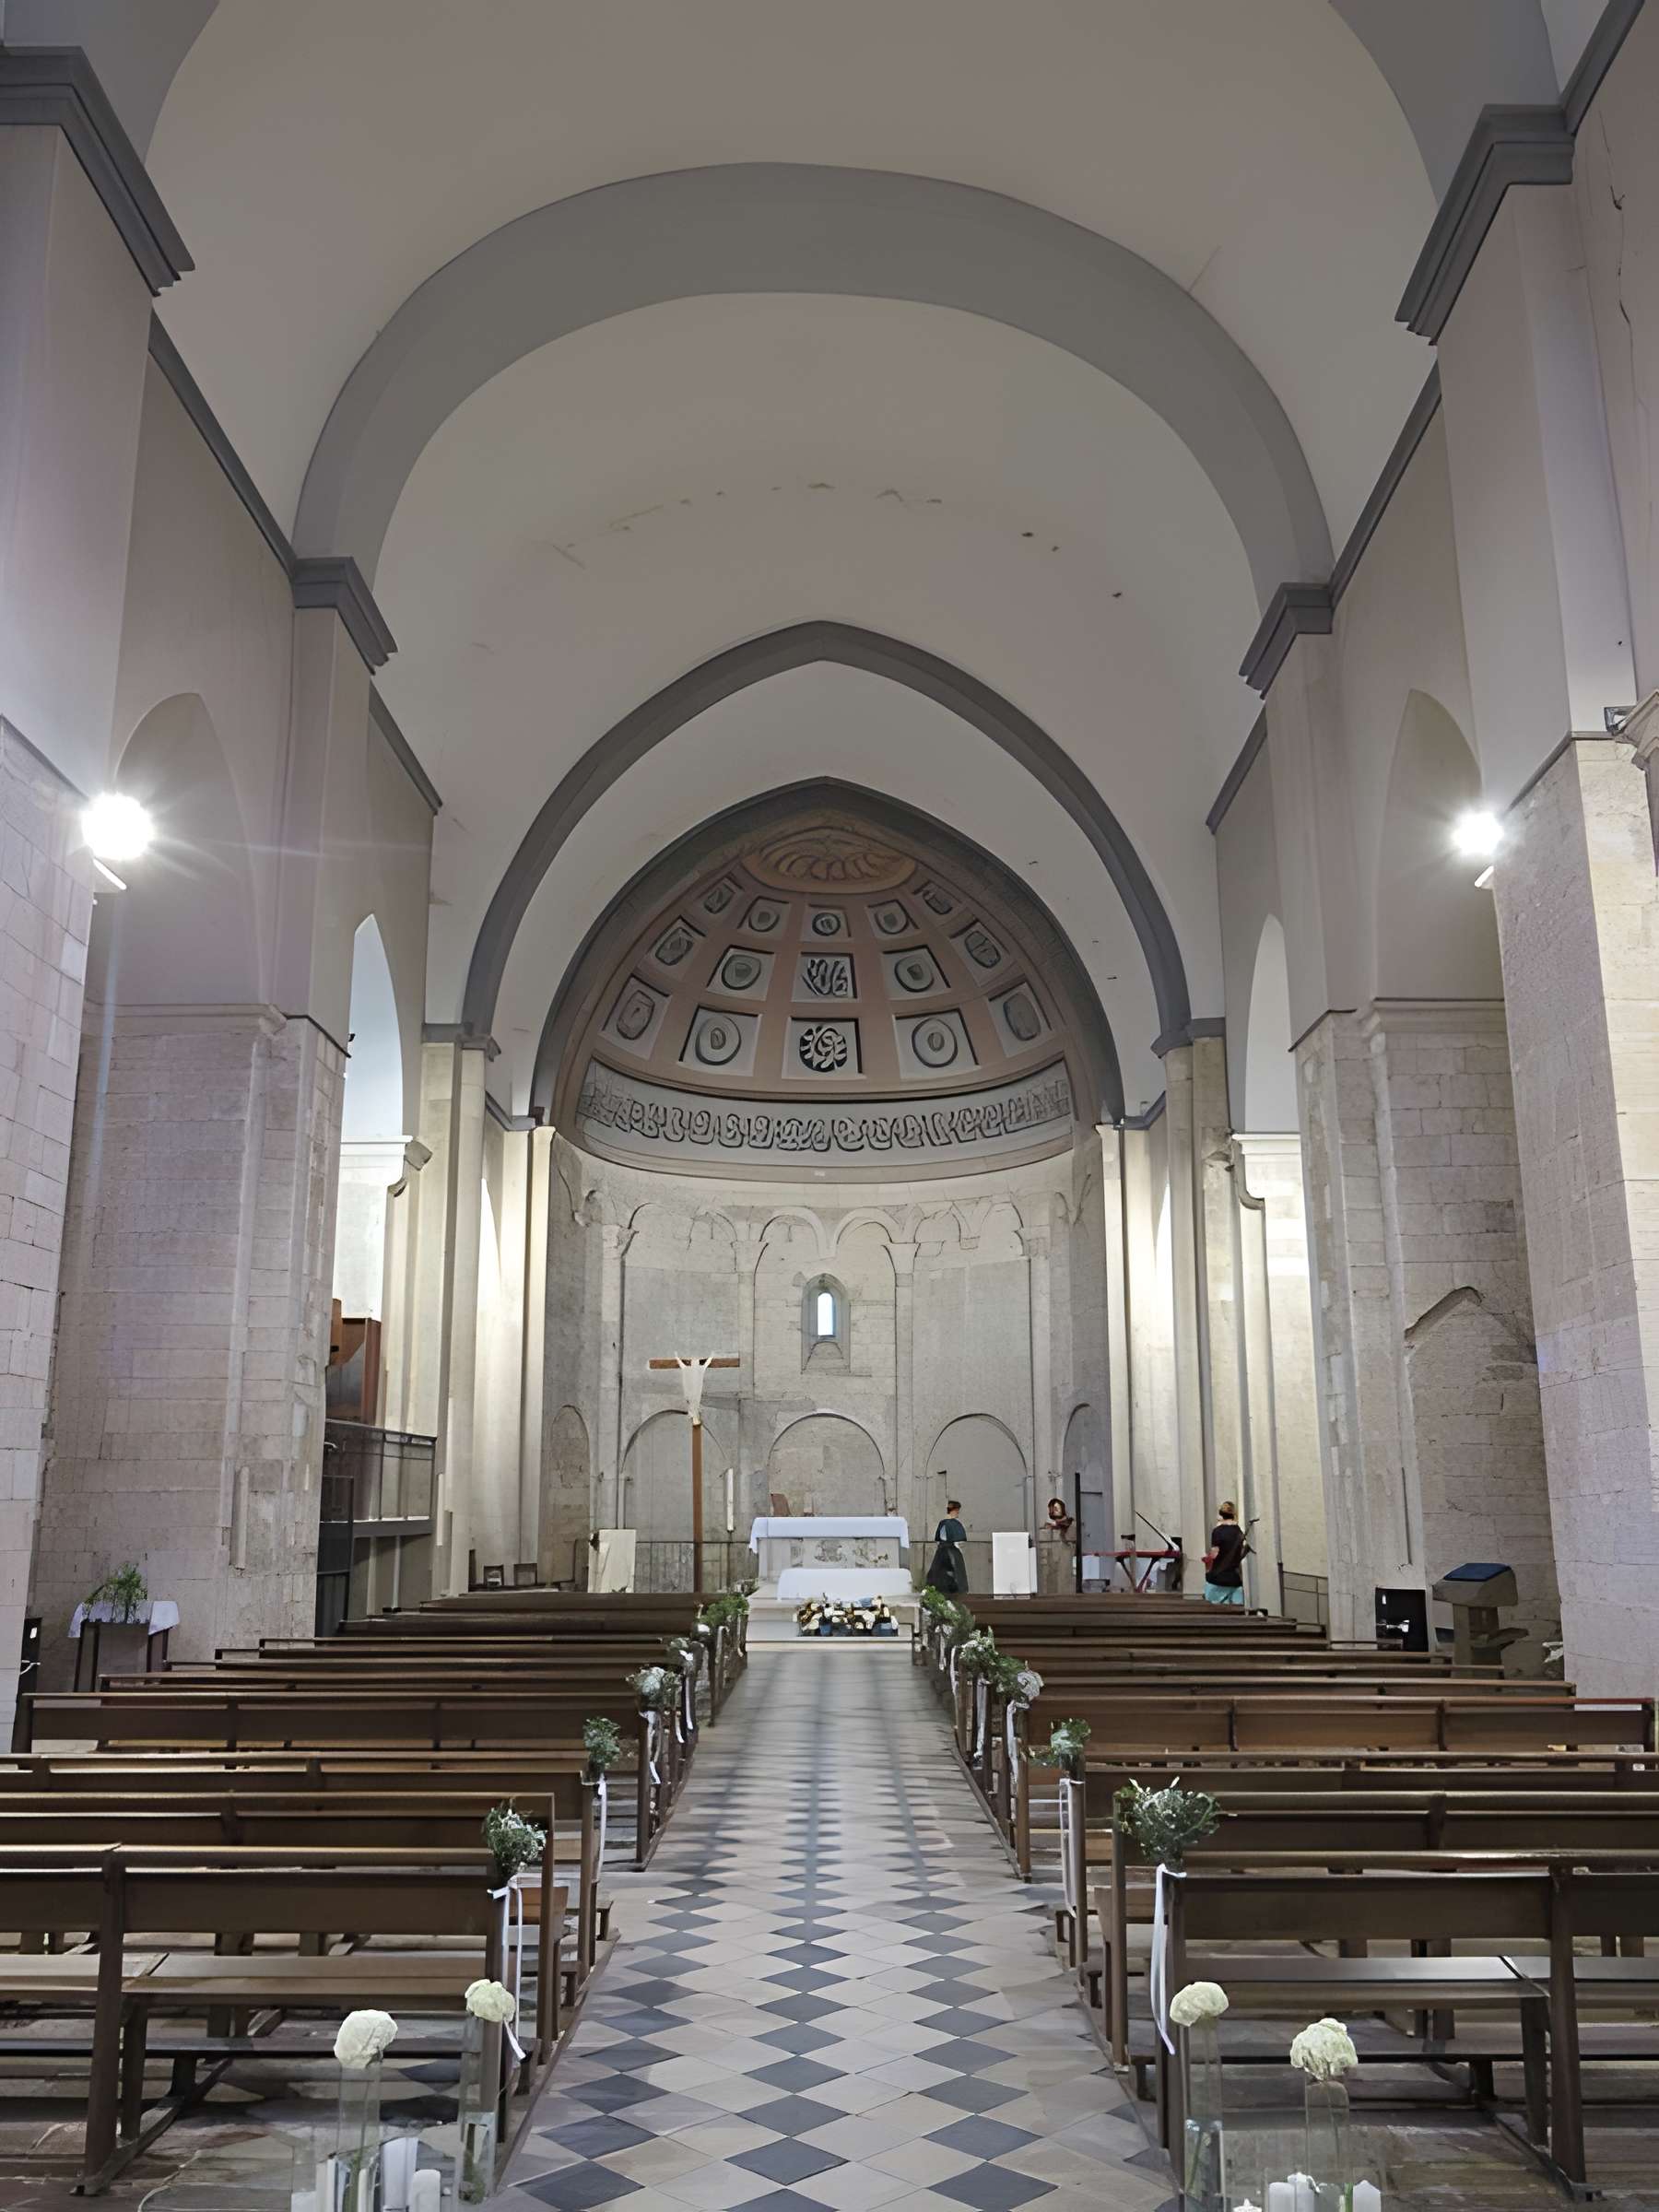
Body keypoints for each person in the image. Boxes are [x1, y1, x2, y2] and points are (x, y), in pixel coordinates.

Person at [1203, 1500, 1248, 1606]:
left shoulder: (1217, 1531)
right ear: (1233, 1514)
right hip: (1235, 1580)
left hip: (1218, 1579)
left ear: (1221, 1514)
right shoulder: (1239, 1532)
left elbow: (1215, 1554)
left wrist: (1207, 1559)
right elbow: (1240, 1554)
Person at [925, 1494, 969, 1594]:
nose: (958, 1513)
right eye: (957, 1511)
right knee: (947, 1573)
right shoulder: (948, 1524)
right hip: (947, 1551)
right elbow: (944, 1538)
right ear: (954, 1510)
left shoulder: (948, 1524)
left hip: (947, 1550)